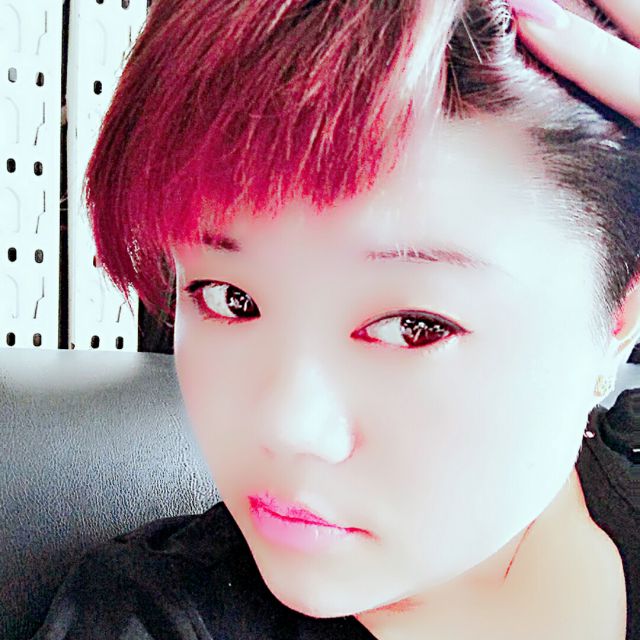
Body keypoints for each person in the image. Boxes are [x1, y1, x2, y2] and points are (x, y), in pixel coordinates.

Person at [32, 0, 639, 638]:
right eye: (228, 298)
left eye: (412, 326)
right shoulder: (149, 618)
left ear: (620, 315)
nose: (287, 428)